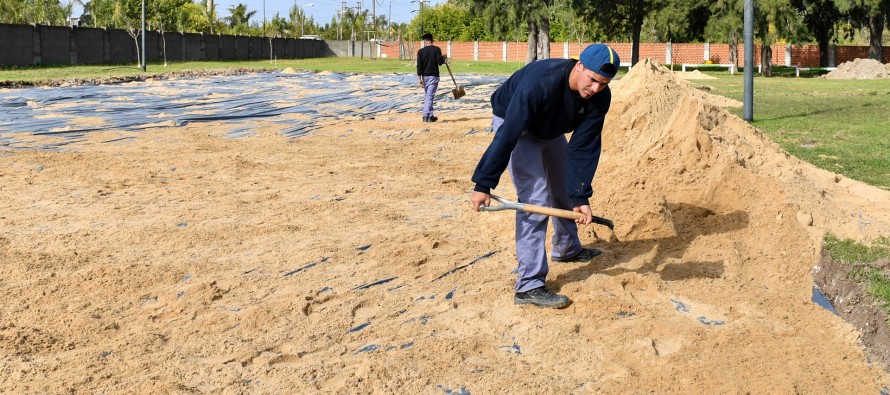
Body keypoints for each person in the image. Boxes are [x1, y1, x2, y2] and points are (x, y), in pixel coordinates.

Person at [470, 44, 620, 309]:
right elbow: (508, 135)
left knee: (563, 189)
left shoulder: (599, 97)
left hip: (550, 129)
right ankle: (529, 286)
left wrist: (580, 194)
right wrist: (484, 183)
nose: (596, 88)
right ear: (579, 66)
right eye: (593, 80)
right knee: (536, 199)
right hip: (517, 124)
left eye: (604, 83)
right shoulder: (541, 83)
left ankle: (567, 249)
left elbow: (583, 146)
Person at [416, 33, 447, 123]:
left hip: (425, 77)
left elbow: (419, 66)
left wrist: (419, 79)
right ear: (432, 41)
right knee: (429, 96)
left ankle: (430, 115)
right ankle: (426, 116)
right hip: (433, 76)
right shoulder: (437, 50)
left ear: (426, 41)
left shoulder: (420, 51)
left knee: (428, 96)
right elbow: (440, 62)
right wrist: (444, 57)